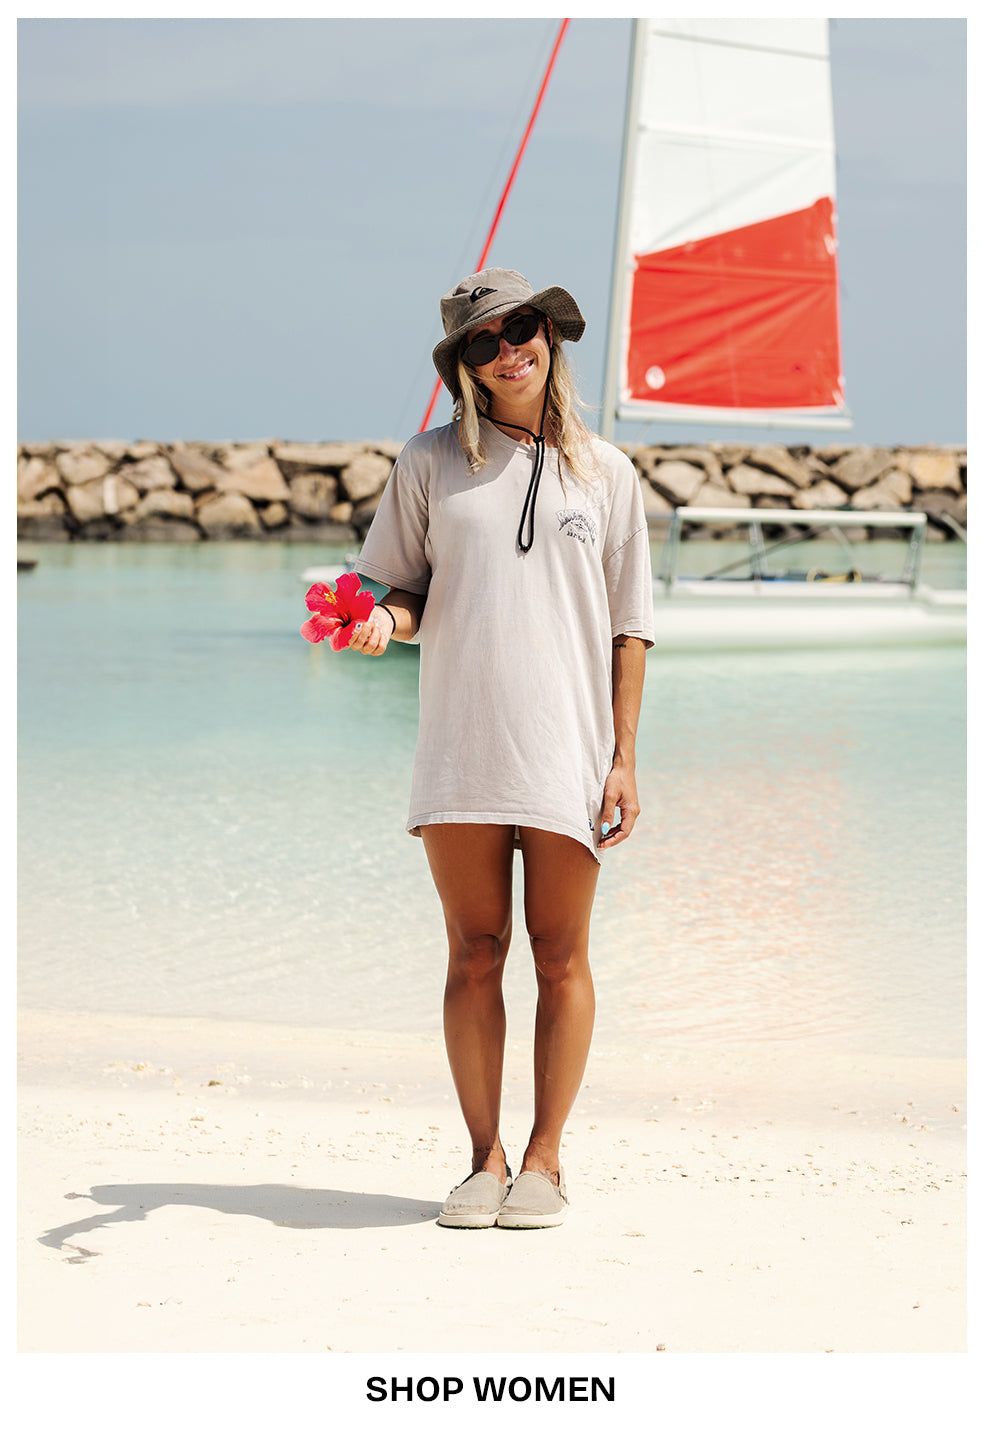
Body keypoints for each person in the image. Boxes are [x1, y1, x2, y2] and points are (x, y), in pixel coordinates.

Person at [350, 267, 654, 1229]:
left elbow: (630, 629)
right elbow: (400, 590)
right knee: (475, 954)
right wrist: (382, 623)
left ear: (548, 335)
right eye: (482, 342)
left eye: (519, 328)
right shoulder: (428, 462)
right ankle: (482, 1160)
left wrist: (623, 759)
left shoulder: (607, 473)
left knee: (560, 957)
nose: (506, 351)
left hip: (570, 751)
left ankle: (546, 1160)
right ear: (465, 367)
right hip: (462, 747)